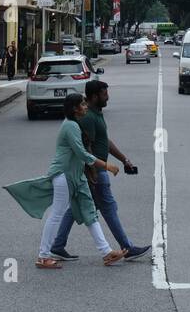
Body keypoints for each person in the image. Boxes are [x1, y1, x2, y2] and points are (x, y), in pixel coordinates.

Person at [4, 92, 127, 269]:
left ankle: (106, 252)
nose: (85, 107)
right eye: (82, 105)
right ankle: (43, 256)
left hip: (77, 176)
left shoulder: (75, 124)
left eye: (85, 103)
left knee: (89, 212)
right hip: (63, 175)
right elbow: (81, 153)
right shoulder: (70, 126)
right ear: (75, 109)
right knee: (57, 213)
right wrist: (106, 166)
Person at [48, 80, 150, 262]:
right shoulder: (87, 117)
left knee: (78, 207)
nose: (108, 97)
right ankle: (126, 247)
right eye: (104, 94)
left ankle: (57, 244)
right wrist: (94, 171)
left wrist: (124, 159)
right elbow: (84, 147)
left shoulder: (95, 114)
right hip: (95, 171)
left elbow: (105, 141)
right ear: (94, 96)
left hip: (95, 169)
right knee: (108, 207)